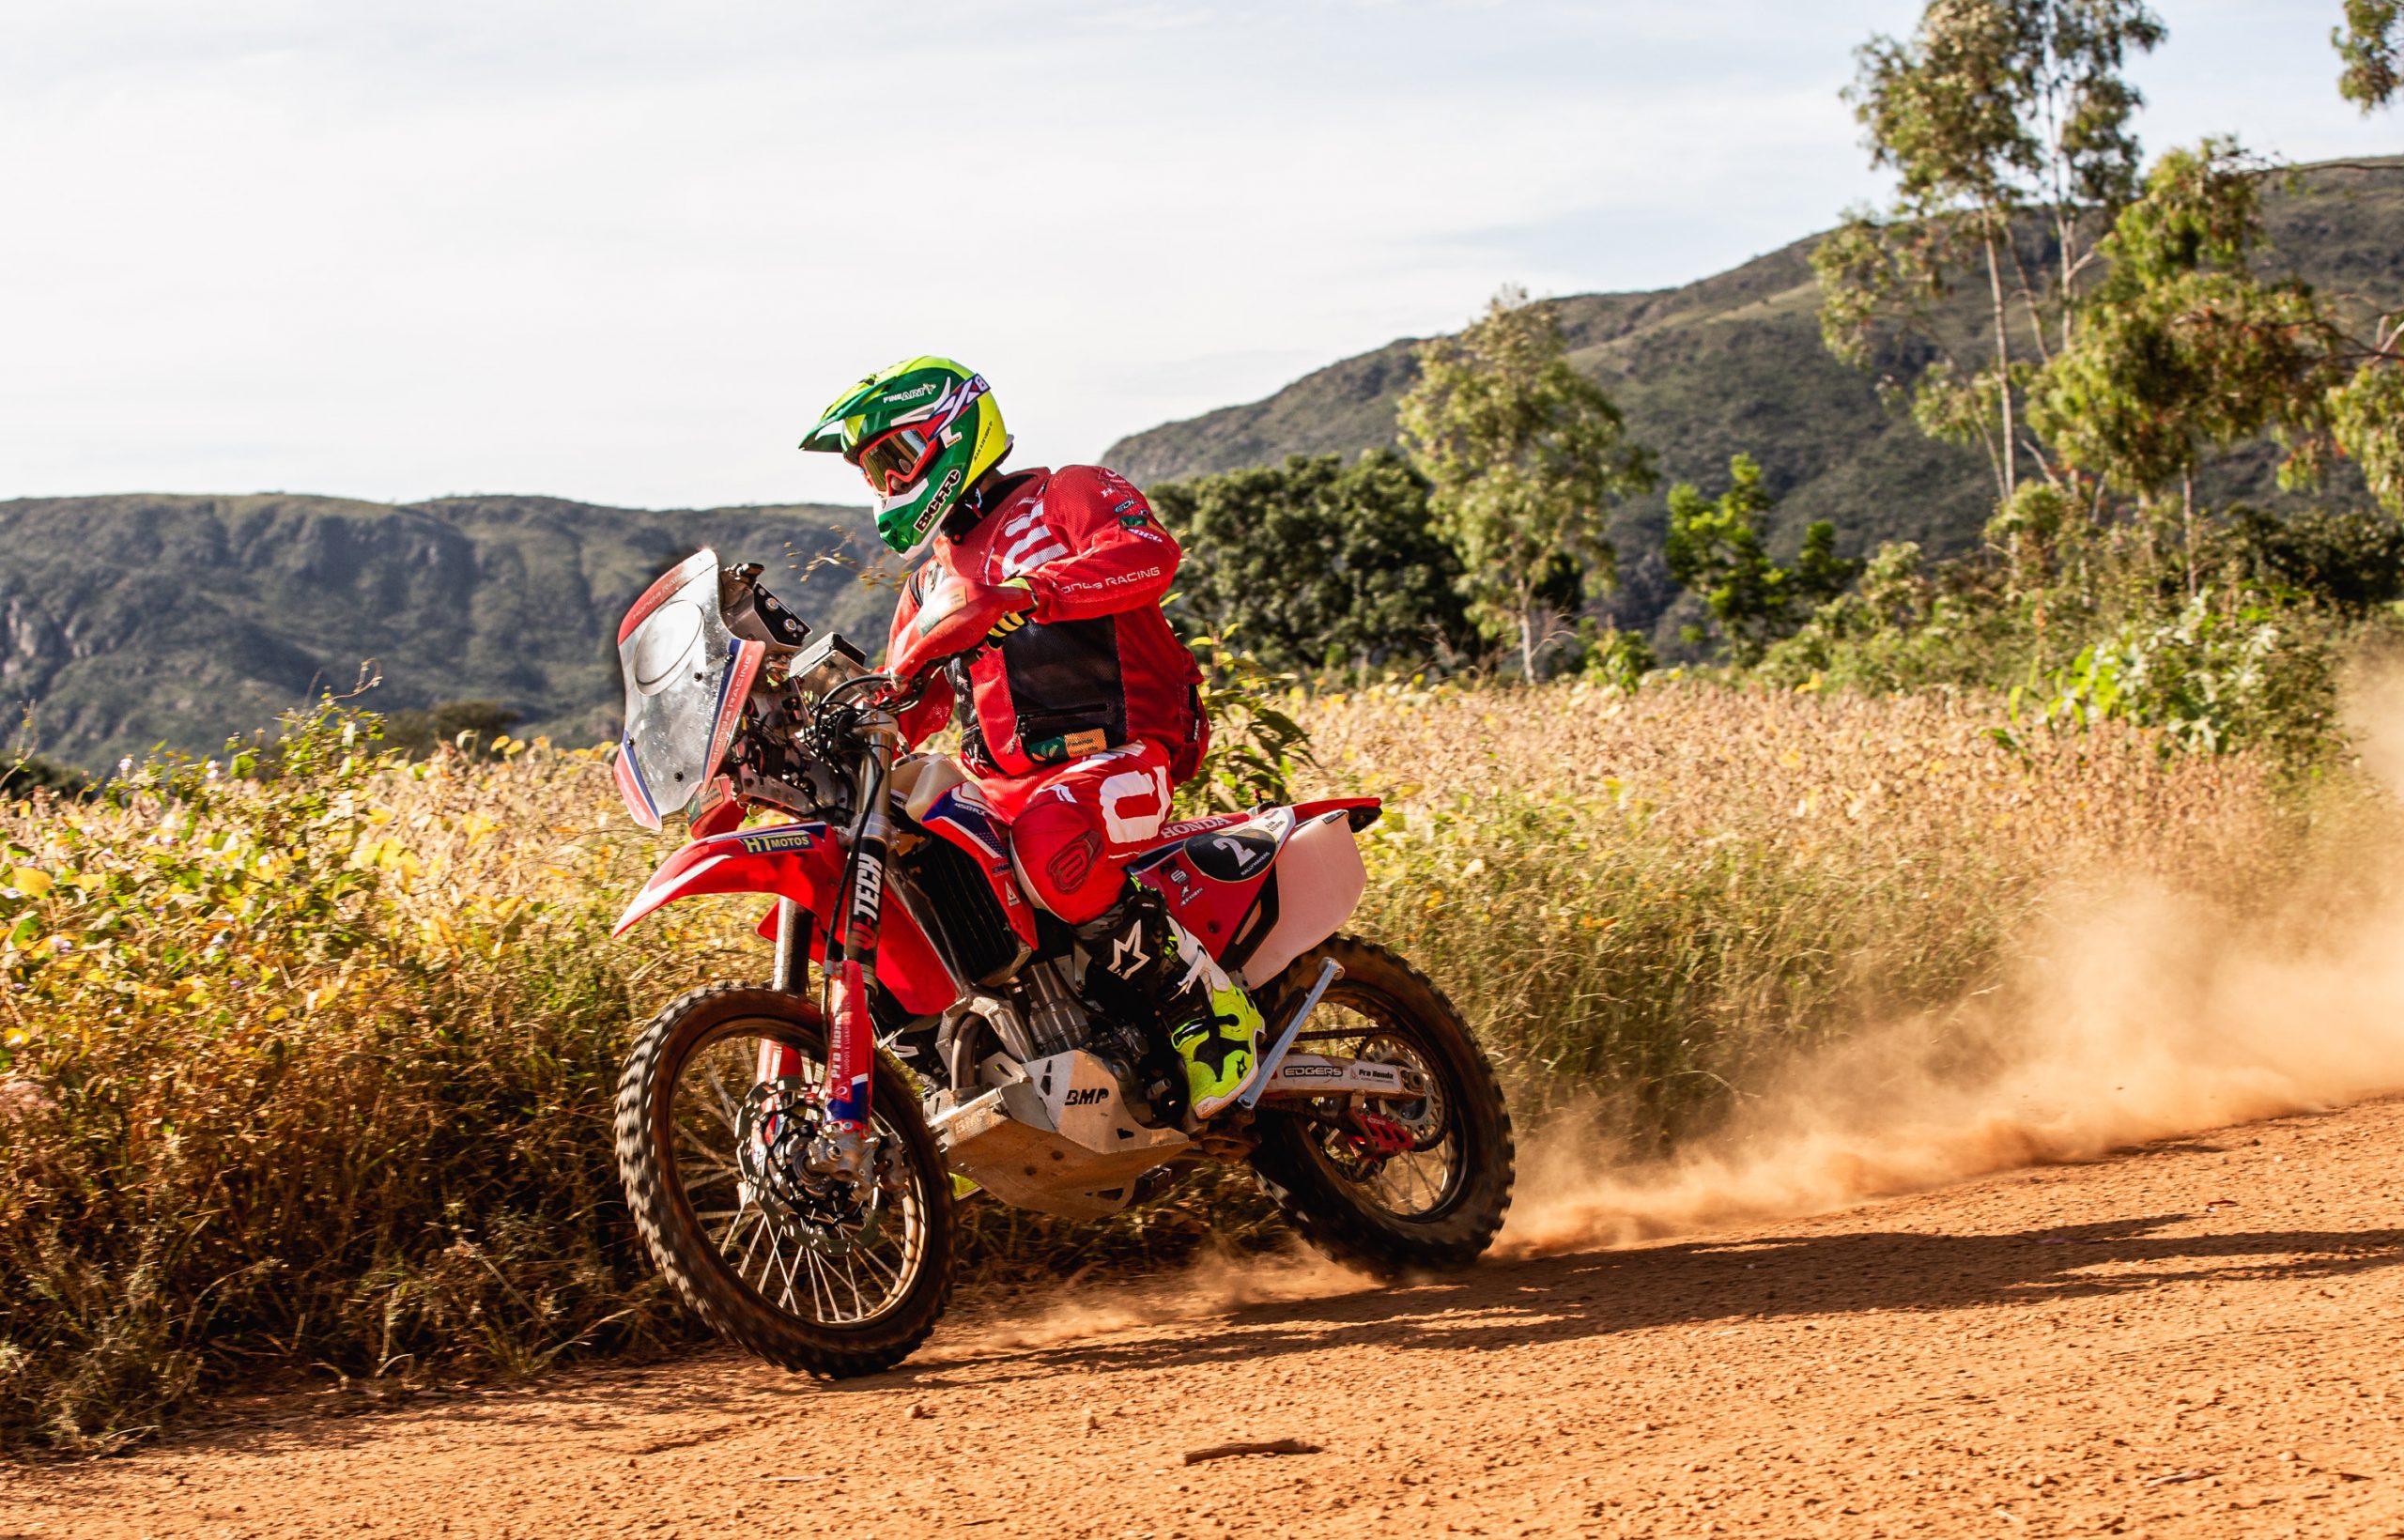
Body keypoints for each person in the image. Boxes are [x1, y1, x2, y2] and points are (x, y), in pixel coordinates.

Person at [800, 356, 1267, 1118]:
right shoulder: (927, 584)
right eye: (872, 473)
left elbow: (1152, 556)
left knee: (1052, 842)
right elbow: (907, 706)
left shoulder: (1066, 494)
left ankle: (1205, 1008)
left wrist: (1028, 593)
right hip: (1007, 786)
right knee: (895, 875)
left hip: (1122, 752)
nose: (885, 486)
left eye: (892, 459)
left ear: (947, 434)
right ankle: (952, 1080)